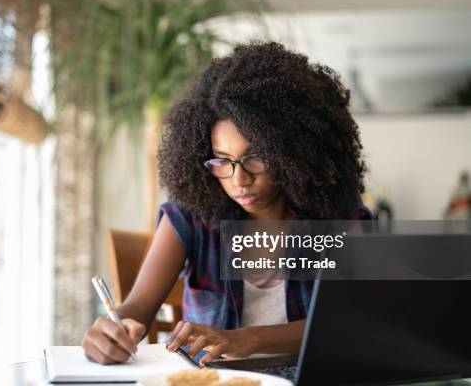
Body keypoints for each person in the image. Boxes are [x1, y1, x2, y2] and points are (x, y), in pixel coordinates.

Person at [81, 42, 371, 365]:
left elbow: (350, 322)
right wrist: (111, 330)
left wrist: (250, 338)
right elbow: (138, 308)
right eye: (222, 161)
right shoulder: (190, 217)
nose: (239, 179)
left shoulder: (336, 216)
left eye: (255, 158)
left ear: (292, 152)